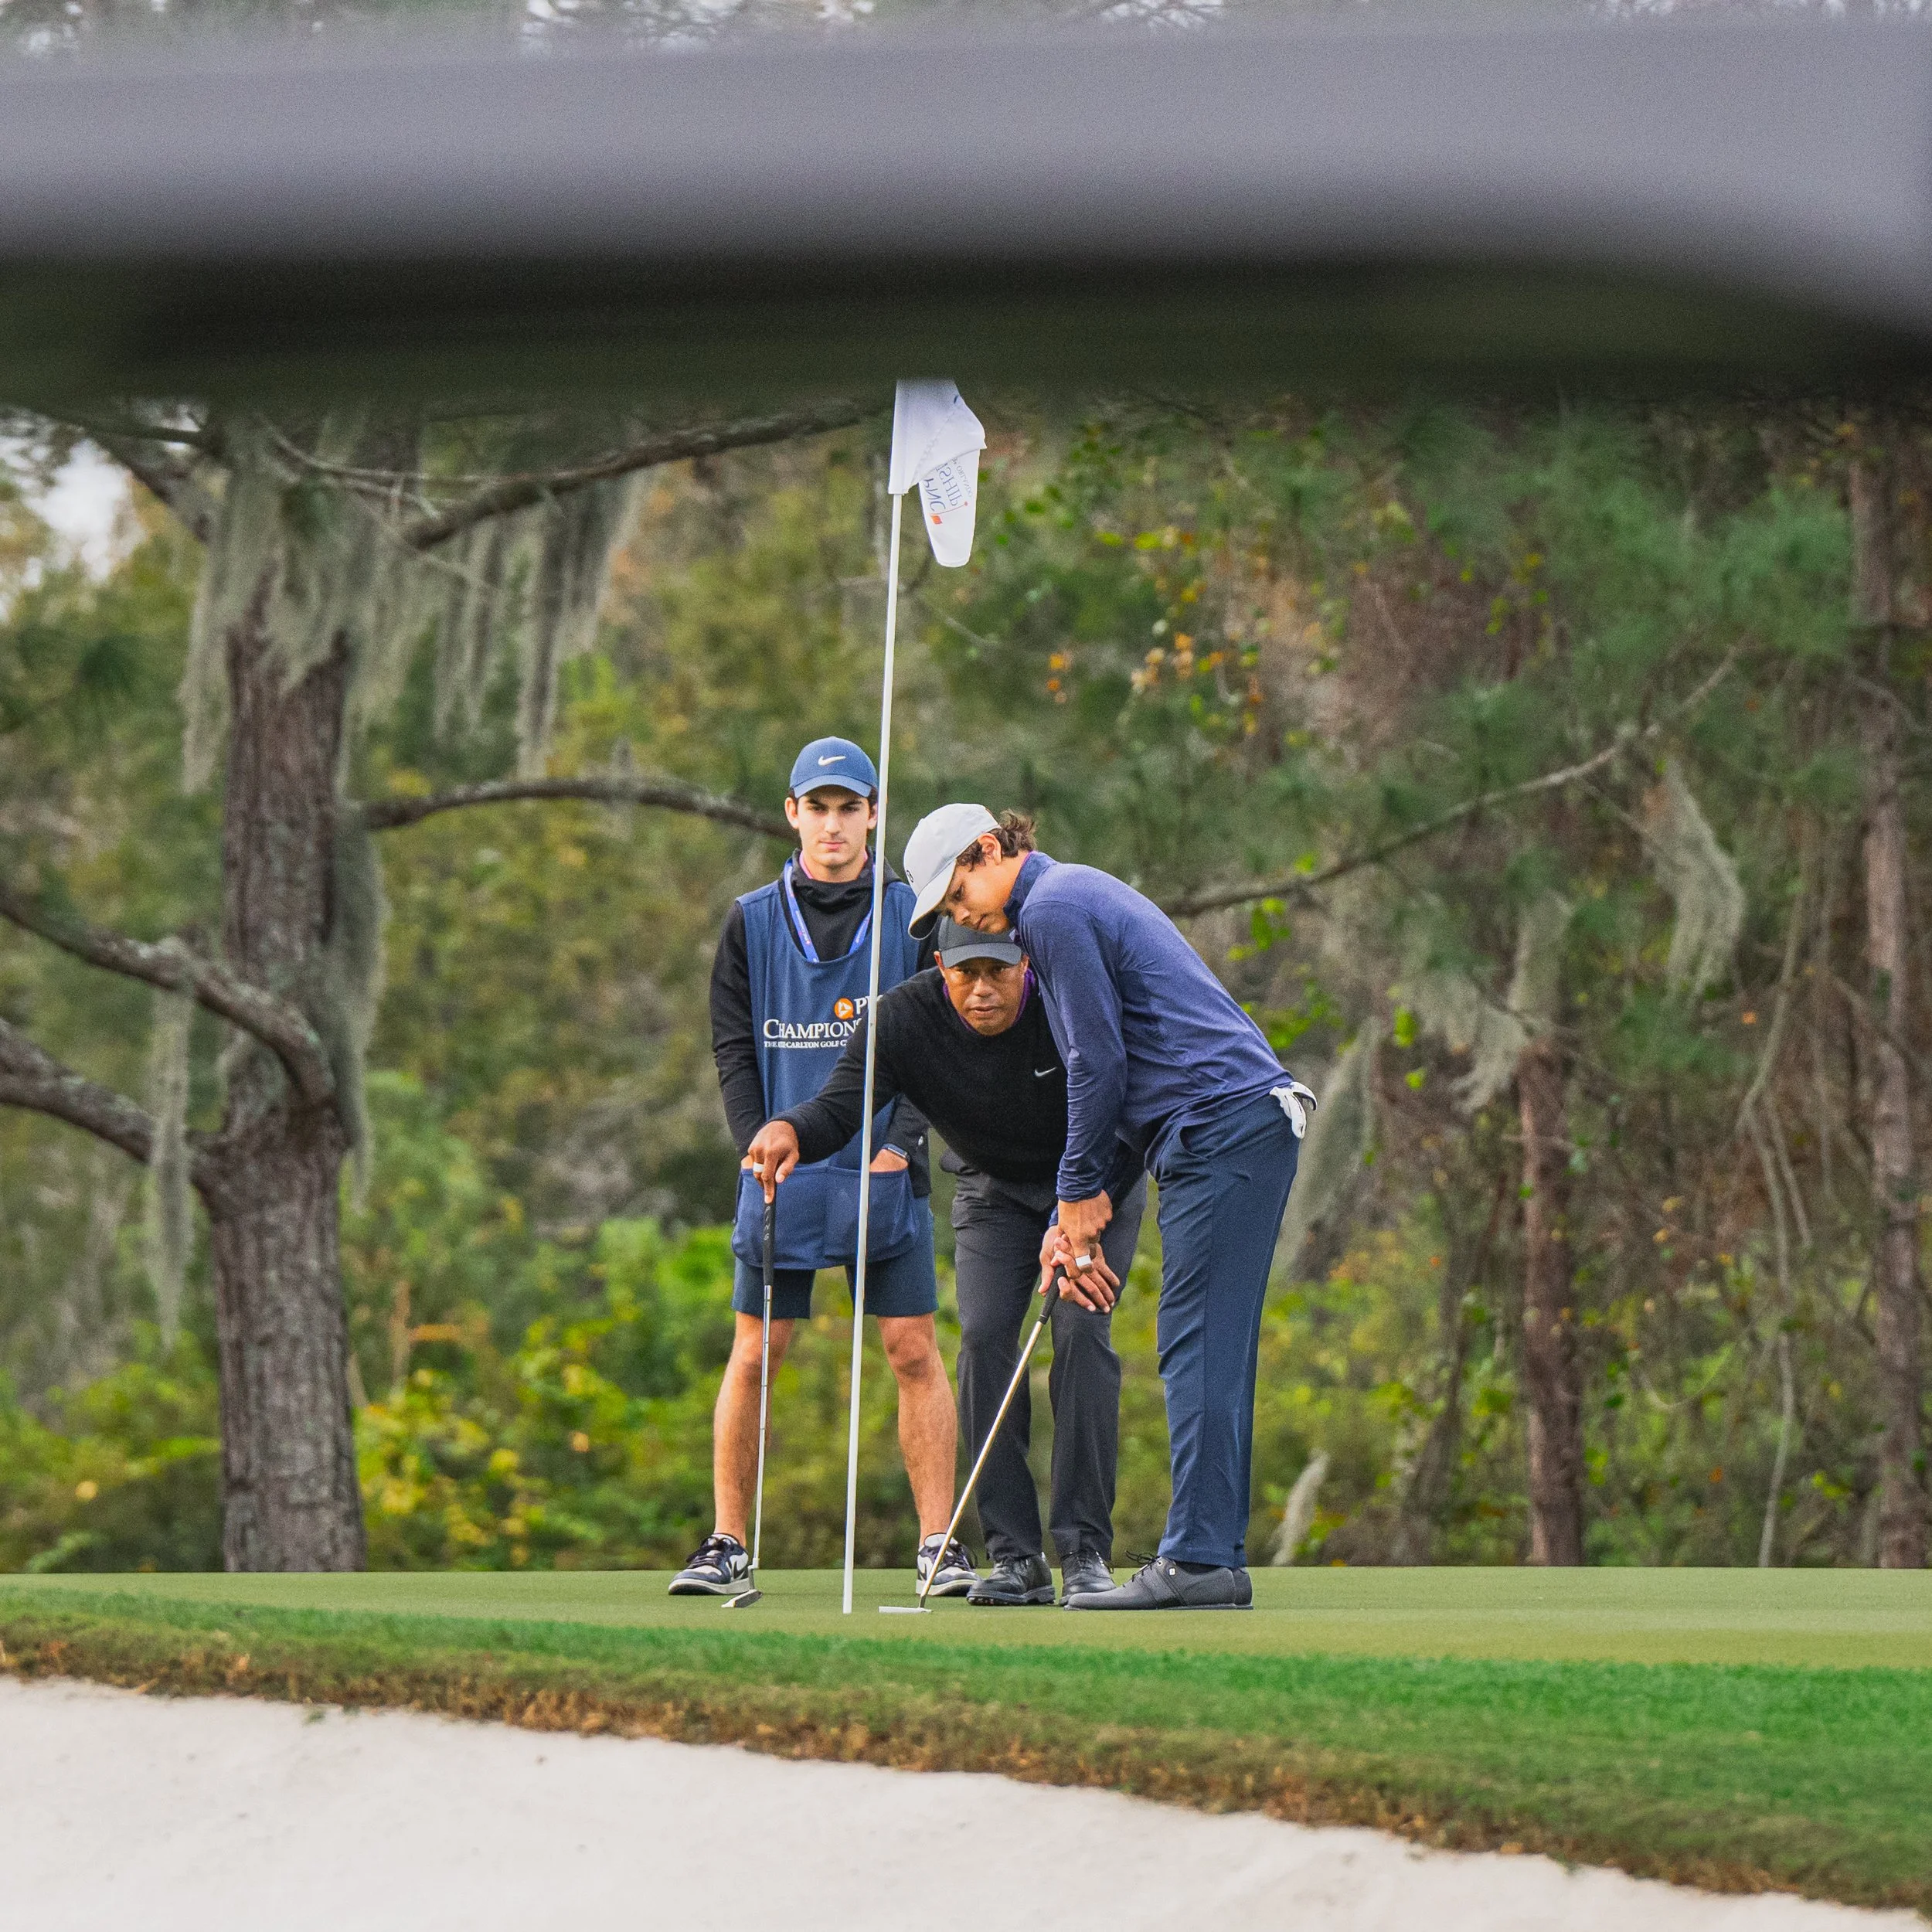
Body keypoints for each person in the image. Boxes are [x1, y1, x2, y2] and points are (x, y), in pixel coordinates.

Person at [899, 804, 1315, 1611]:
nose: (960, 917)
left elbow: (1097, 1064)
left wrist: (1078, 1193)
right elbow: (1118, 1084)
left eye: (956, 895)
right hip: (1227, 1127)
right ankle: (1214, 1560)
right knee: (1211, 1349)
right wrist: (1070, 1215)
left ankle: (1194, 1561)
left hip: (1220, 1125)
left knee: (1194, 1346)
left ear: (989, 850)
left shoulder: (1051, 910)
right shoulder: (1064, 903)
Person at [747, 919, 1146, 1607]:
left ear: (1027, 963)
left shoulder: (1067, 1004)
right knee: (987, 1339)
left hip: (1093, 1185)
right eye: (967, 974)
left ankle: (1084, 1551)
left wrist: (1072, 1213)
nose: (983, 989)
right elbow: (841, 1109)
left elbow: (1130, 1115)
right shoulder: (905, 1019)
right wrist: (790, 1129)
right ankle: (1016, 1557)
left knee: (1081, 1334)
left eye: (999, 972)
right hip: (991, 1191)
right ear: (940, 967)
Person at [668, 737, 975, 1599]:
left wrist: (899, 1142)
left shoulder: (915, 912)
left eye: (851, 806)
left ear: (874, 814)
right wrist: (755, 1137)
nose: (834, 824)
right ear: (793, 812)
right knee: (757, 1350)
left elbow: (944, 1039)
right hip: (780, 1168)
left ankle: (937, 1545)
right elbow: (733, 1046)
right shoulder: (750, 919)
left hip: (883, 1166)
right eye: (819, 806)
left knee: (911, 1347)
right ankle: (728, 1541)